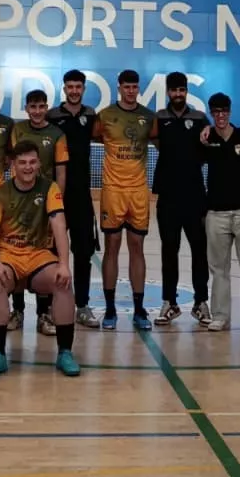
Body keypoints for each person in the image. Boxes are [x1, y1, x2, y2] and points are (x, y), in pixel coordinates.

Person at [0, 140, 79, 378]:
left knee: (62, 282)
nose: (27, 167)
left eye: (32, 162)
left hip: (37, 256)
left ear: (39, 164)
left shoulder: (49, 188)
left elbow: (59, 226)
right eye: (22, 162)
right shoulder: (0, 193)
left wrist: (64, 264)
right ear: (13, 165)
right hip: (8, 256)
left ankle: (65, 352)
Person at [93, 69, 157, 331]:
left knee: (137, 248)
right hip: (112, 191)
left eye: (134, 87)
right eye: (126, 87)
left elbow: (160, 142)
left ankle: (139, 309)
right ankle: (110, 309)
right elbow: (96, 136)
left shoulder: (148, 117)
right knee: (112, 246)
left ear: (138, 88)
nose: (131, 91)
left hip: (139, 191)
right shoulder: (105, 116)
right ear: (119, 87)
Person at [8, 89, 69, 334]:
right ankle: (18, 311)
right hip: (19, 208)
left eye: (41, 106)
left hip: (44, 207)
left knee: (44, 257)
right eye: (32, 107)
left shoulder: (57, 134)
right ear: (26, 108)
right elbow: (14, 167)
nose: (36, 111)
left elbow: (61, 174)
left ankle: (44, 314)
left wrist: (54, 206)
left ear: (46, 107)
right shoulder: (17, 130)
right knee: (16, 253)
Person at [152, 72, 210, 327]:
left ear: (187, 91)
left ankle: (201, 302)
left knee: (199, 251)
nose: (178, 94)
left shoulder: (198, 118)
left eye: (182, 90)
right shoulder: (159, 118)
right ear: (168, 92)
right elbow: (154, 142)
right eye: (174, 90)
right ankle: (169, 302)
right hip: (168, 196)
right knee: (169, 250)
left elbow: (211, 142)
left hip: (195, 196)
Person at [199, 93, 240, 334]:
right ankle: (220, 315)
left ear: (230, 112)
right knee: (219, 268)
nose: (220, 115)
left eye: (224, 111)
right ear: (211, 113)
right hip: (216, 213)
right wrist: (204, 130)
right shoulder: (206, 137)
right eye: (215, 112)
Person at [47, 69, 101, 328]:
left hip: (81, 196)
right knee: (50, 250)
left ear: (84, 88)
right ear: (64, 88)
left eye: (78, 86)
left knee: (83, 252)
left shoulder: (91, 116)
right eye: (70, 86)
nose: (74, 90)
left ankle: (82, 305)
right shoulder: (51, 116)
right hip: (55, 194)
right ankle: (46, 308)